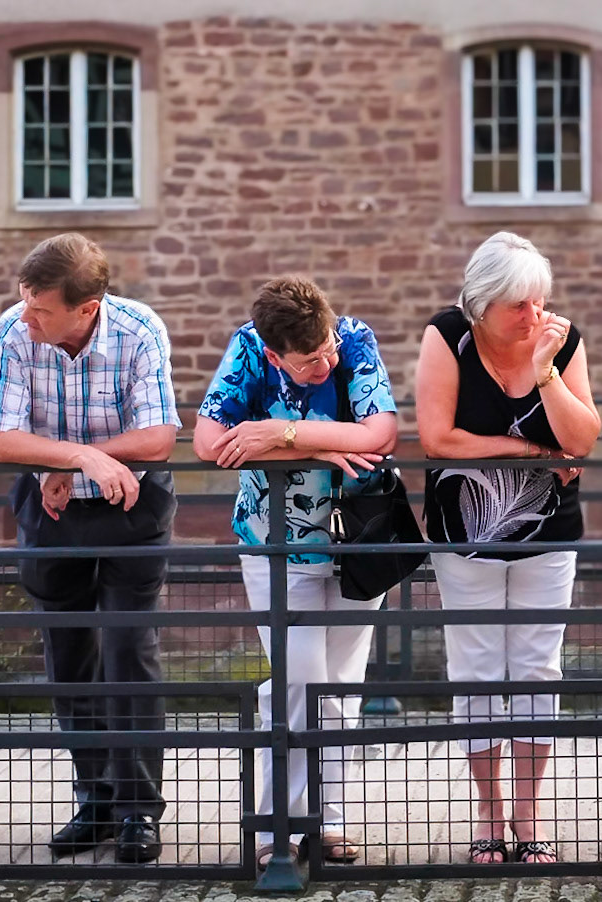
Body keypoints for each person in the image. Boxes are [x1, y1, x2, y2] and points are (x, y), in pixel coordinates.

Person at [0, 233, 180, 863]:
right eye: (25, 302)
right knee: (68, 659)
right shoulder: (14, 329)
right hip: (51, 509)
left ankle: (137, 812)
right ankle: (94, 802)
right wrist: (74, 457)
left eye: (41, 309)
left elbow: (159, 437)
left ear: (86, 307)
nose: (27, 316)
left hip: (131, 509)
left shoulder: (140, 329)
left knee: (127, 650)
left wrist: (89, 459)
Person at [193, 276, 400, 866]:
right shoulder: (249, 349)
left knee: (340, 688)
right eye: (310, 360)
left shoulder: (355, 340)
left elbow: (380, 434)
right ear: (275, 352)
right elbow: (210, 442)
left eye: (328, 347)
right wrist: (324, 444)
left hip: (356, 543)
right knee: (299, 681)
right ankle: (274, 829)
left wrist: (282, 433)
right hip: (275, 545)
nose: (326, 362)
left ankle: (328, 823)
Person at [414, 231, 601, 865]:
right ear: (480, 306)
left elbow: (581, 441)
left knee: (537, 666)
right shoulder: (447, 336)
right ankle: (489, 817)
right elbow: (438, 438)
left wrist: (547, 372)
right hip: (463, 534)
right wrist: (530, 453)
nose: (533, 316)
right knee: (475, 666)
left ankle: (527, 818)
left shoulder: (560, 339)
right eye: (518, 306)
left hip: (548, 533)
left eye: (539, 301)